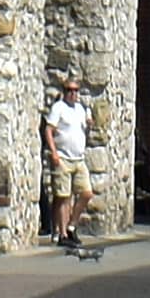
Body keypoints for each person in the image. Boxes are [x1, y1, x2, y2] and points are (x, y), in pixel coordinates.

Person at [45, 80, 94, 251]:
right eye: (69, 90)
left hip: (78, 158)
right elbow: (49, 130)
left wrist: (90, 124)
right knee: (64, 197)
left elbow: (84, 129)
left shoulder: (81, 109)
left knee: (86, 193)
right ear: (64, 91)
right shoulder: (59, 107)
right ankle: (63, 233)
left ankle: (72, 225)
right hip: (63, 157)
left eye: (75, 91)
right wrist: (54, 152)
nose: (73, 94)